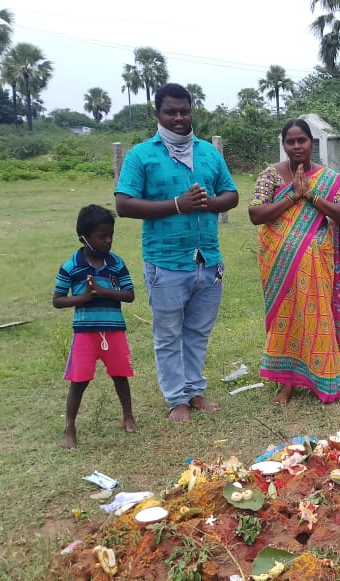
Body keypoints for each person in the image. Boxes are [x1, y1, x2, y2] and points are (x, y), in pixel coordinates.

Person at [114, 82, 239, 423]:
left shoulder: (209, 154)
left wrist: (210, 203)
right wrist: (176, 205)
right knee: (168, 334)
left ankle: (195, 391)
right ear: (157, 114)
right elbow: (123, 204)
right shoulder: (142, 155)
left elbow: (231, 194)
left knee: (198, 331)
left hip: (208, 261)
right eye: (171, 112)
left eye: (184, 111)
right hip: (166, 261)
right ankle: (176, 399)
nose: (179, 118)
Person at [248, 119, 340, 406]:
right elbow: (256, 214)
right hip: (278, 264)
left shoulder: (328, 179)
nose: (296, 146)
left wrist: (310, 194)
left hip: (316, 262)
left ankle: (323, 380)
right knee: (286, 319)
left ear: (311, 143)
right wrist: (294, 194)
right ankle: (286, 385)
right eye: (290, 141)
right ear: (284, 145)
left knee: (316, 318)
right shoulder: (271, 176)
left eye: (302, 140)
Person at [53, 204, 137, 449]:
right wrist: (83, 298)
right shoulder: (72, 266)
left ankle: (128, 415)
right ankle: (70, 428)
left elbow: (129, 295)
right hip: (85, 334)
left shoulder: (116, 264)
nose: (108, 240)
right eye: (102, 236)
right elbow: (58, 300)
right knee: (78, 381)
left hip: (114, 331)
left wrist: (103, 291)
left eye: (111, 234)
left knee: (121, 376)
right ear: (84, 238)